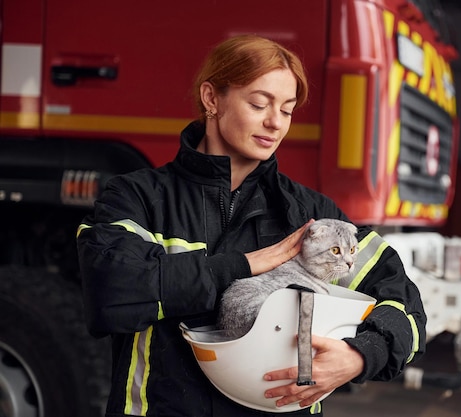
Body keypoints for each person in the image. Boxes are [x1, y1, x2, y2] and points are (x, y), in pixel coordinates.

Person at [77, 34, 427, 417]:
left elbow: (405, 304)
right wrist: (244, 265)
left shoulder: (311, 215)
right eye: (259, 103)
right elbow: (112, 294)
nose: (275, 123)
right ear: (212, 99)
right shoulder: (137, 198)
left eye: (288, 110)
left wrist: (361, 356)